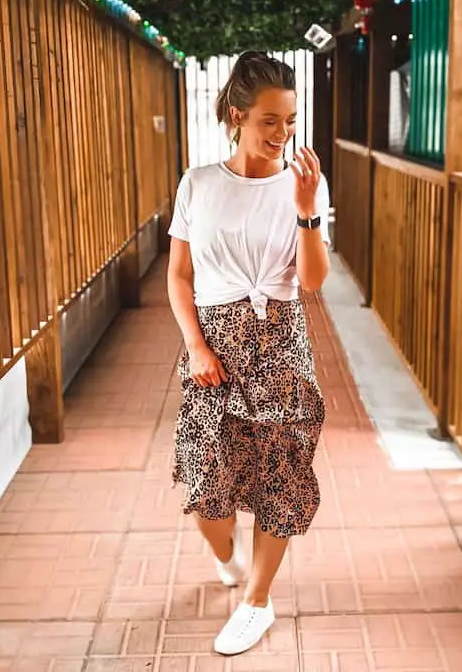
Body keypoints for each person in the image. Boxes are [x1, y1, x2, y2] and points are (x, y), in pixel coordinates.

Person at [167, 50, 331, 656]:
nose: (281, 134)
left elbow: (312, 283)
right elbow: (179, 276)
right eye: (269, 120)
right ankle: (232, 560)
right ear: (236, 115)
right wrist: (195, 346)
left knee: (279, 478)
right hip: (214, 346)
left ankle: (257, 602)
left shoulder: (300, 185)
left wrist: (309, 213)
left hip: (282, 345)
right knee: (206, 488)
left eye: (289, 121)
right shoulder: (199, 184)